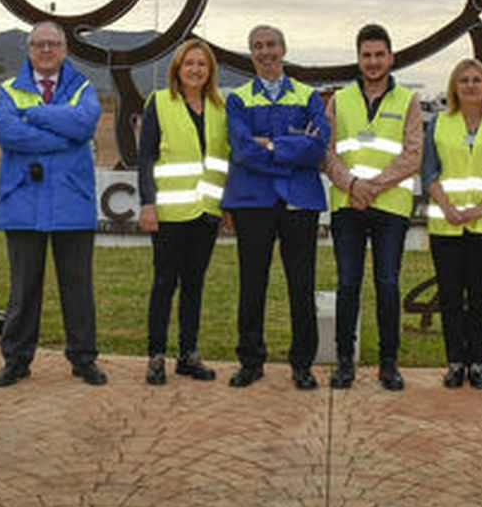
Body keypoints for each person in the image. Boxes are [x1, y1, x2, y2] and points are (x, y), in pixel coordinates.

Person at [0, 21, 107, 388]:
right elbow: (8, 133)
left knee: (78, 287)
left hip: (72, 203)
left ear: (64, 50)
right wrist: (63, 135)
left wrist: (36, 114)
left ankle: (84, 360)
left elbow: (85, 123)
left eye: (52, 44)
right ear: (29, 50)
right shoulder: (8, 89)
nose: (45, 50)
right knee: (23, 289)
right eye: (38, 44)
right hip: (22, 202)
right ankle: (17, 360)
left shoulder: (82, 87)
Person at [222, 24, 330, 390]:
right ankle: (251, 361)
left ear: (283, 49)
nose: (265, 52)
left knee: (302, 284)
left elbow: (318, 148)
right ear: (251, 54)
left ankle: (302, 364)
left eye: (270, 45)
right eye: (257, 46)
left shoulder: (307, 95)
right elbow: (242, 150)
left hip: (299, 200)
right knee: (252, 282)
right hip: (253, 201)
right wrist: (291, 146)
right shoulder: (237, 99)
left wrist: (269, 145)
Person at [322, 23, 423, 391]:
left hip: (390, 208)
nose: (373, 61)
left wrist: (372, 187)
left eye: (380, 54)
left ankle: (388, 364)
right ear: (358, 58)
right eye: (367, 55)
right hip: (347, 205)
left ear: (391, 57)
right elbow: (327, 153)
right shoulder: (340, 100)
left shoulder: (407, 101)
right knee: (348, 284)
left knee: (387, 284)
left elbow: (413, 155)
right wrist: (351, 185)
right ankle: (345, 363)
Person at [421, 58, 482, 388]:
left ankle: (477, 361)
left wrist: (478, 209)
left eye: (477, 80)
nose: (471, 85)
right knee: (450, 296)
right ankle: (454, 362)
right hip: (447, 224)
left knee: (479, 297)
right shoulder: (439, 122)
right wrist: (448, 207)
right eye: (464, 80)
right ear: (454, 86)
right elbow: (428, 171)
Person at [136, 37, 227, 385]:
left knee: (195, 285)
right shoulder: (159, 103)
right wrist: (148, 203)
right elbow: (145, 157)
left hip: (207, 212)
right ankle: (156, 356)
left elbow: (226, 159)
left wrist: (227, 205)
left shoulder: (220, 108)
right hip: (169, 214)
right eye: (189, 63)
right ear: (178, 68)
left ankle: (188, 354)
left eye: (201, 64)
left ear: (210, 71)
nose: (195, 69)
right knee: (164, 284)